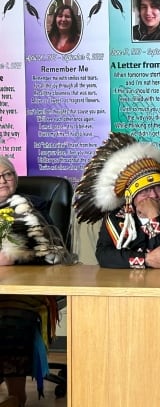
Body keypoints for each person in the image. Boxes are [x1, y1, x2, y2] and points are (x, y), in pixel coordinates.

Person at [0, 156, 72, 405]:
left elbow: (52, 251)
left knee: (10, 314)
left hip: (26, 287)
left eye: (8, 174)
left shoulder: (33, 208)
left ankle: (15, 395)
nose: (3, 180)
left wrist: (17, 256)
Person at [73, 132, 160, 269]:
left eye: (159, 187)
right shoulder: (117, 216)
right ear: (130, 197)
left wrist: (153, 216)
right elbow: (103, 255)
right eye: (145, 191)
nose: (153, 195)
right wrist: (146, 260)